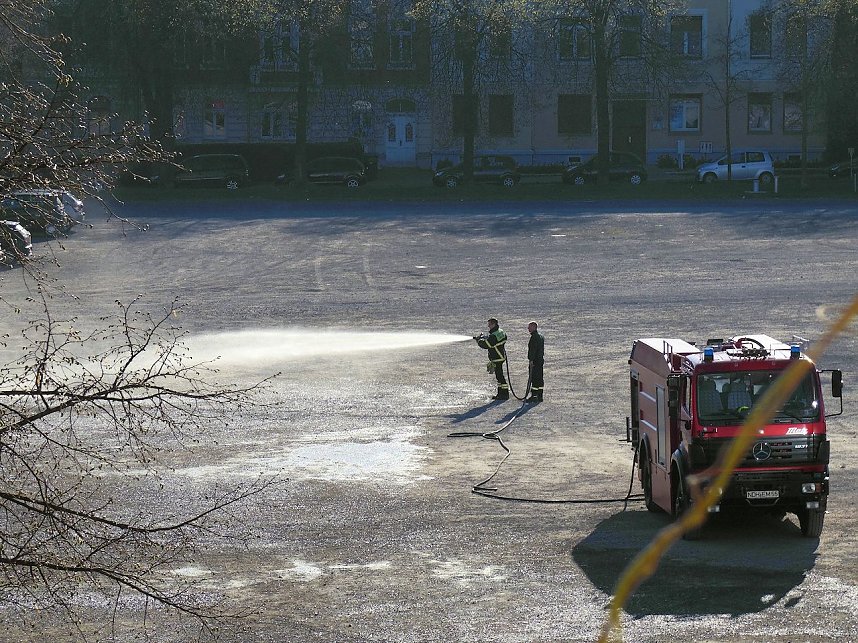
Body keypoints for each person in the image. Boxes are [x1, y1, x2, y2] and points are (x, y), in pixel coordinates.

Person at [474, 318, 509, 400]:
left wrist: (479, 340)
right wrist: (487, 338)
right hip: (501, 356)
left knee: (499, 376)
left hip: (497, 357)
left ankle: (504, 394)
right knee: (499, 376)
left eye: (489, 324)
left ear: (494, 324)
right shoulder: (500, 331)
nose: (488, 326)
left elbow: (487, 345)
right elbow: (498, 339)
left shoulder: (493, 336)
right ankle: (501, 394)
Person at [525, 321, 544, 403]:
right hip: (540, 360)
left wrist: (531, 360)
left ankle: (534, 396)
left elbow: (532, 350)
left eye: (529, 327)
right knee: (540, 378)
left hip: (535, 361)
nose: (528, 328)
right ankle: (540, 396)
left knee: (534, 378)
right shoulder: (541, 336)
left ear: (534, 327)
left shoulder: (534, 337)